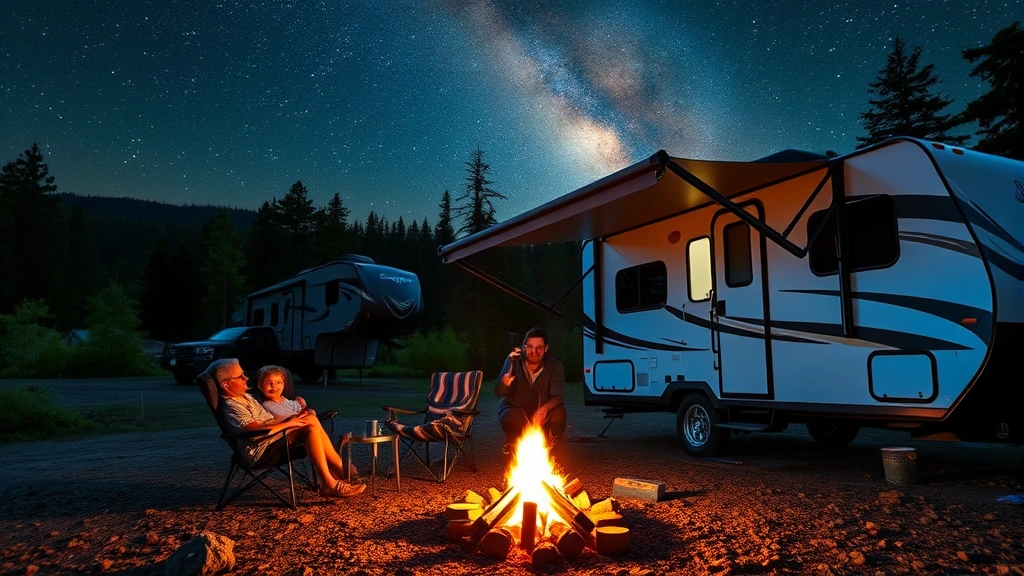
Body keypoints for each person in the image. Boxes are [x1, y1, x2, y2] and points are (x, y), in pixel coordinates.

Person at [209, 358, 365, 498]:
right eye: (240, 376)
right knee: (309, 422)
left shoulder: (245, 396)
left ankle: (332, 478)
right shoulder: (232, 405)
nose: (246, 378)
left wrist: (294, 418)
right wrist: (290, 423)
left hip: (270, 437)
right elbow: (255, 429)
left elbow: (266, 421)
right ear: (226, 384)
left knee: (310, 422)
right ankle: (334, 478)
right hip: (261, 447)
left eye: (244, 374)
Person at [257, 364, 358, 479]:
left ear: (284, 384)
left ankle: (336, 465)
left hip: (303, 428)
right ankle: (338, 464)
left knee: (314, 420)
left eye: (278, 382)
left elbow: (299, 412)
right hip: (287, 434)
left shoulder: (287, 401)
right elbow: (288, 419)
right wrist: (306, 411)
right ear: (260, 385)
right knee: (313, 420)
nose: (274, 386)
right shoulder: (267, 404)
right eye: (269, 382)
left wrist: (303, 406)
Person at [494, 327, 567, 452]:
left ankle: (554, 452)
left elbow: (558, 396)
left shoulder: (554, 365)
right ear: (524, 346)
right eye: (530, 347)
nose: (534, 351)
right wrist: (509, 373)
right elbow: (499, 392)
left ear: (546, 348)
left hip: (543, 410)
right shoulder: (514, 361)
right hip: (516, 408)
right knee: (511, 417)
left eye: (539, 347)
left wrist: (544, 409)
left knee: (558, 414)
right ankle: (516, 449)